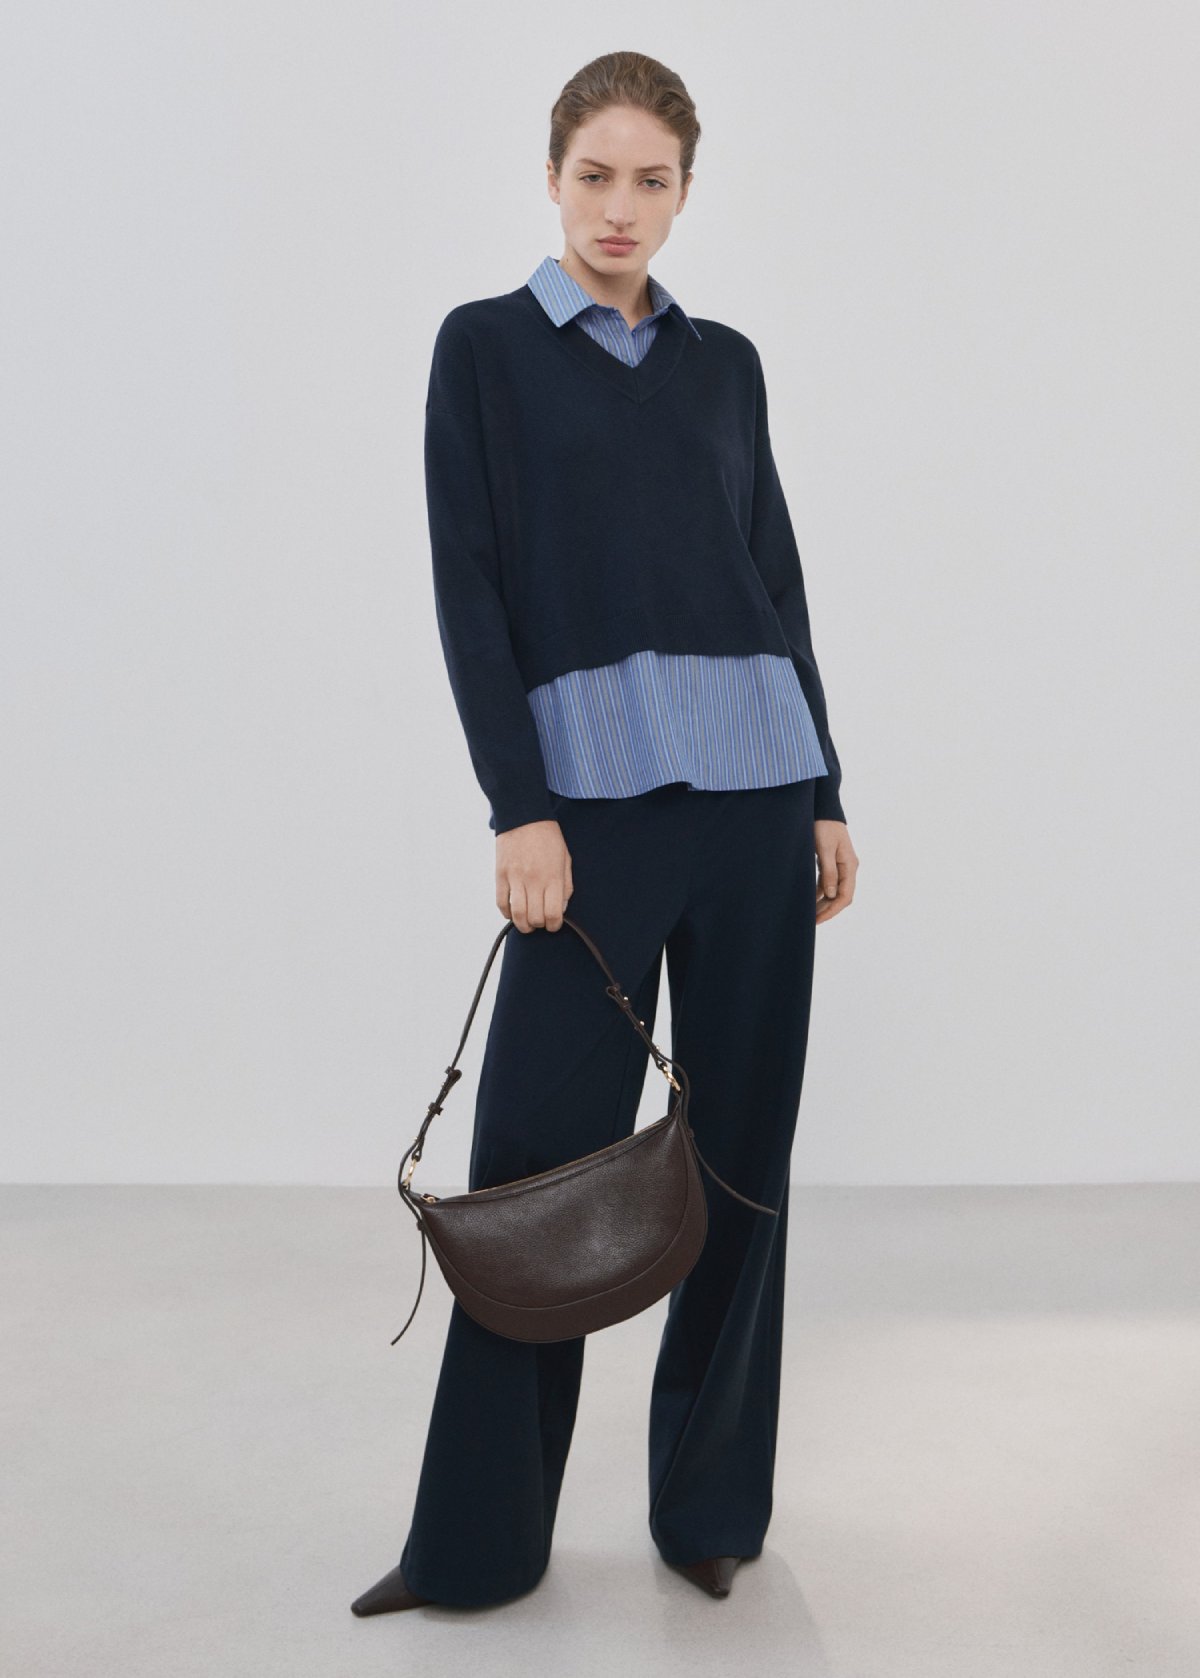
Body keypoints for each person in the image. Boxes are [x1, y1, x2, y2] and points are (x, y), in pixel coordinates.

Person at [352, 48, 859, 1617]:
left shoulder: (726, 366)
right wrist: (519, 804)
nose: (621, 207)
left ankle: (710, 1508)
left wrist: (826, 787)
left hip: (757, 795)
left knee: (744, 1156)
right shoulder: (485, 350)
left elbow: (775, 578)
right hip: (590, 818)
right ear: (552, 176)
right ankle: (477, 1543)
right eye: (596, 175)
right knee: (535, 1165)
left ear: (687, 192)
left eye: (653, 180)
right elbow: (469, 589)